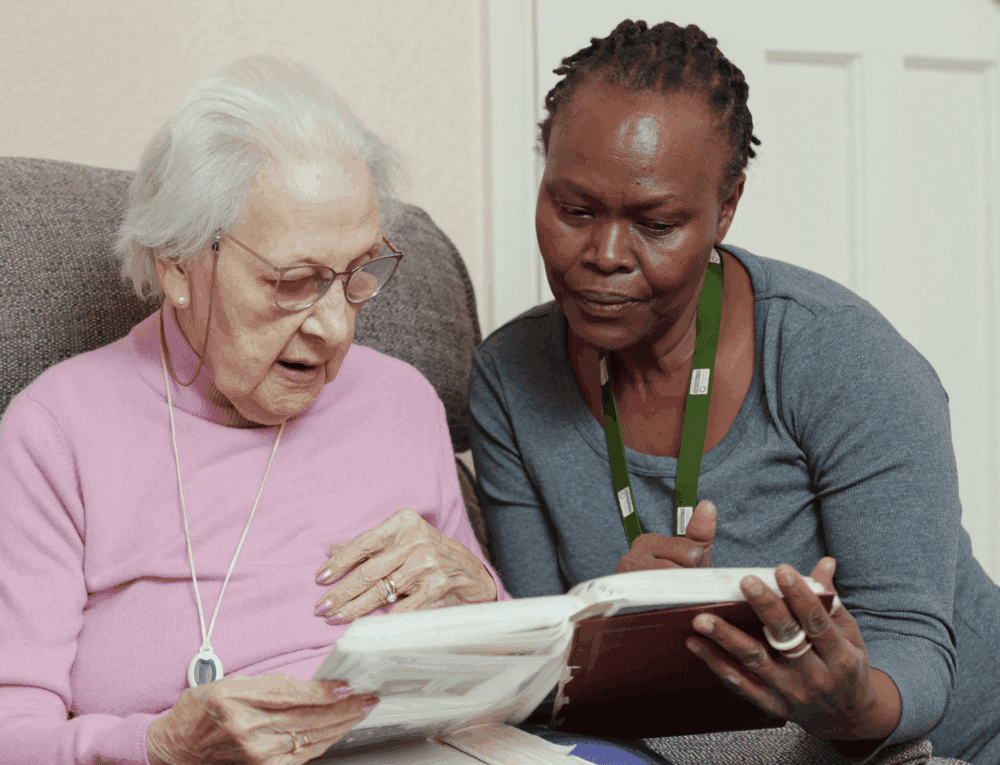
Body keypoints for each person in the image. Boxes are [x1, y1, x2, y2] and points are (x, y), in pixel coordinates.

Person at [470, 19, 1000, 765]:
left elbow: (914, 645)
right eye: (574, 209)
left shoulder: (841, 355)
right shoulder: (509, 375)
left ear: (726, 207)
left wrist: (848, 700)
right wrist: (606, 624)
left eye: (656, 222)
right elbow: (540, 663)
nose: (605, 256)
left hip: (949, 740)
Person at [0, 55, 504, 765]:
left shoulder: (404, 400)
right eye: (294, 281)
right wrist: (157, 745)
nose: (335, 326)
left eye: (357, 272)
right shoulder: (56, 432)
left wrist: (481, 597)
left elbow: (508, 674)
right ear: (178, 261)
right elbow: (10, 727)